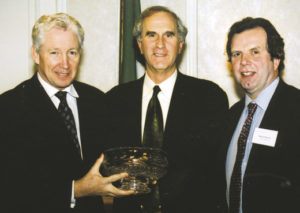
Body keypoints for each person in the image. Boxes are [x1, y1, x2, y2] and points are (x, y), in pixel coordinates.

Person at [1, 13, 133, 213]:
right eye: (54, 52)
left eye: (72, 52)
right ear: (36, 54)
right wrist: (76, 190)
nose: (64, 64)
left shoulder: (97, 100)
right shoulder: (9, 107)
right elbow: (9, 188)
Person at [106, 6, 229, 213]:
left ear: (180, 45)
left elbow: (214, 173)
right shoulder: (114, 100)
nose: (160, 44)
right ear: (140, 45)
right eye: (151, 35)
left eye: (169, 35)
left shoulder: (209, 97)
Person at [215, 17, 300, 213]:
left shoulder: (296, 108)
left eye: (255, 52)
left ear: (276, 59)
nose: (244, 62)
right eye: (237, 54)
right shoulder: (230, 116)